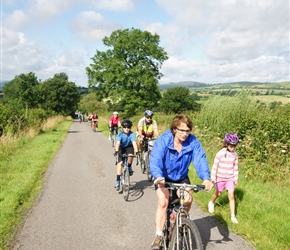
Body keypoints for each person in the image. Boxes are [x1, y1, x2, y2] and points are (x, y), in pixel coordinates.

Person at [150, 114, 213, 250]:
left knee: (188, 200)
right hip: (163, 177)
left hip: (181, 177)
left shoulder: (192, 141)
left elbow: (200, 159)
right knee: (163, 202)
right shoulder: (164, 140)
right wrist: (158, 175)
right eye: (181, 130)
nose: (185, 134)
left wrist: (206, 178)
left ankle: (180, 223)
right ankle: (159, 235)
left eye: (187, 131)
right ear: (174, 129)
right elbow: (155, 159)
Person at [208, 133, 240, 224]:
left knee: (231, 196)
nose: (233, 148)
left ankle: (233, 216)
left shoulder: (235, 155)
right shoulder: (220, 153)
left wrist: (235, 178)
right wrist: (213, 179)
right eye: (231, 146)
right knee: (218, 193)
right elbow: (215, 166)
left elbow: (235, 167)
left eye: (234, 146)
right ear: (226, 144)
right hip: (220, 177)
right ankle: (211, 202)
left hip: (230, 178)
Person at [113, 119, 138, 191]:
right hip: (121, 147)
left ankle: (129, 167)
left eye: (128, 127)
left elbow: (134, 143)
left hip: (128, 146)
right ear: (122, 128)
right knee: (120, 163)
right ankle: (117, 180)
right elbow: (117, 143)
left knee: (131, 155)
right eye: (125, 127)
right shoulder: (120, 134)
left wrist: (137, 151)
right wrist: (117, 151)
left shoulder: (131, 134)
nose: (127, 129)